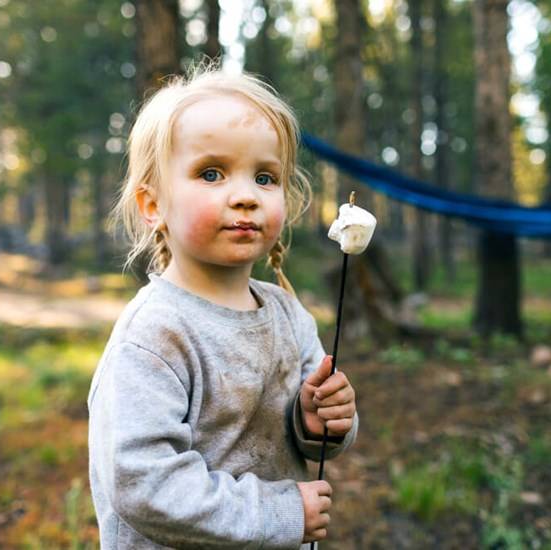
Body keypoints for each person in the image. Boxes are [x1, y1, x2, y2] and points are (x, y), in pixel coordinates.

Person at [88, 64, 359, 549]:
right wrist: (281, 512)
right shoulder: (154, 334)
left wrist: (316, 420)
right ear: (153, 205)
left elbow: (315, 435)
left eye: (265, 177)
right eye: (211, 173)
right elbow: (143, 486)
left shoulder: (288, 316)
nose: (246, 197)